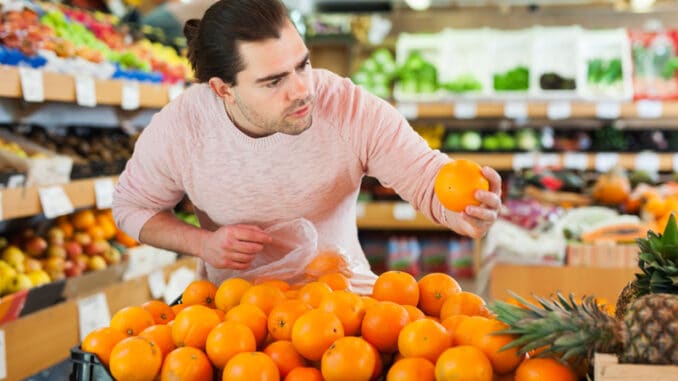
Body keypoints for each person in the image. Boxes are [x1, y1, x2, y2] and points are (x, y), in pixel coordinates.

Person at [112, 0, 503, 288]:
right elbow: (131, 206)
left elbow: (426, 177)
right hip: (238, 320)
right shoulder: (183, 127)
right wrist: (202, 243)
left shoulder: (346, 106)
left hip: (346, 308)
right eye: (274, 80)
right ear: (222, 89)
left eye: (303, 64)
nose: (302, 91)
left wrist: (467, 212)